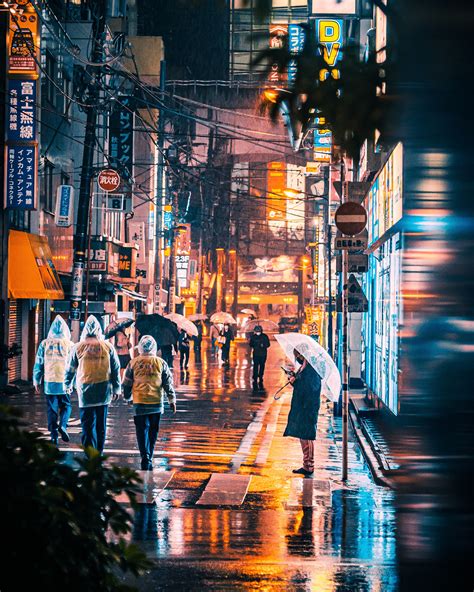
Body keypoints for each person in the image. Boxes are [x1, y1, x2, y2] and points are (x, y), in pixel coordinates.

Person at [65, 315, 121, 454]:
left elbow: (70, 368)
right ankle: (99, 453)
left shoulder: (78, 347)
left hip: (85, 391)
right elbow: (115, 369)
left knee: (87, 426)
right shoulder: (107, 347)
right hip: (103, 390)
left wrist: (67, 385)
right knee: (101, 426)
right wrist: (117, 388)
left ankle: (90, 455)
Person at [122, 335, 177, 470]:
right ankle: (149, 455)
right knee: (153, 431)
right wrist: (171, 400)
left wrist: (128, 397)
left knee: (141, 431)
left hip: (139, 402)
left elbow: (127, 383)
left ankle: (144, 456)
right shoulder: (161, 363)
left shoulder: (133, 363)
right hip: (156, 403)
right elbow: (168, 383)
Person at [33, 316, 74, 445]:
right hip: (65, 381)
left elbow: (39, 363)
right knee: (66, 405)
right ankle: (63, 425)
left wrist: (36, 380)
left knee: (52, 409)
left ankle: (54, 435)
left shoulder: (45, 343)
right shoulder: (70, 345)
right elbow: (74, 365)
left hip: (50, 381)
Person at [283, 347, 322, 477]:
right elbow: (303, 384)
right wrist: (294, 379)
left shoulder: (311, 368)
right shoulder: (305, 366)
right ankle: (306, 464)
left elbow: (310, 387)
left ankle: (309, 465)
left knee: (307, 435)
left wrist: (296, 381)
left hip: (308, 406)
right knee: (303, 434)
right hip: (303, 405)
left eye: (297, 355)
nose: (297, 358)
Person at [105, 315, 132, 379]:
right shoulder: (119, 333)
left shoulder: (123, 333)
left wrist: (127, 342)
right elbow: (119, 344)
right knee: (122, 374)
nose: (125, 328)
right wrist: (125, 341)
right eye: (124, 326)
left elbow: (128, 345)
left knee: (126, 373)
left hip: (125, 355)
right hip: (121, 356)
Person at [249, 325, 271, 390]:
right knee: (255, 365)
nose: (257, 332)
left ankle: (260, 376)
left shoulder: (264, 336)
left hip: (263, 354)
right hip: (256, 353)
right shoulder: (253, 337)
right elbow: (250, 344)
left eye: (258, 331)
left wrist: (263, 345)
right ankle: (255, 376)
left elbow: (268, 344)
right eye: (256, 331)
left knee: (262, 365)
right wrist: (254, 345)